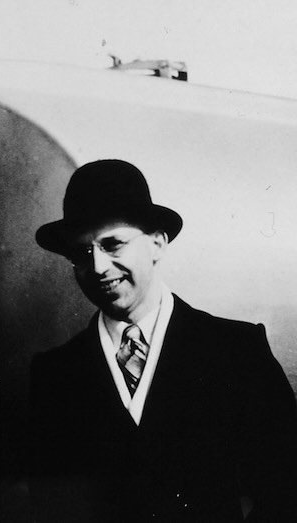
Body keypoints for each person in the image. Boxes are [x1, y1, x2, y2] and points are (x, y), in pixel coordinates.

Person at [29, 159, 297, 523]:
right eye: (82, 253)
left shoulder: (238, 350)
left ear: (157, 243)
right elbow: (52, 508)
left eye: (113, 245)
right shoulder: (54, 374)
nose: (98, 267)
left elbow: (287, 490)